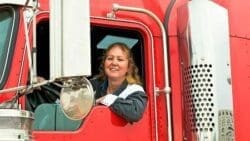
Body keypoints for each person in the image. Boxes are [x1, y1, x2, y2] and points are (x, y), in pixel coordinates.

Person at [90, 42, 147, 123]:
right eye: (110, 58)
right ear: (104, 63)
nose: (114, 63)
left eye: (120, 59)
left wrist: (107, 99)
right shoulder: (94, 85)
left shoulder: (135, 90)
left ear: (128, 67)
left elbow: (135, 112)